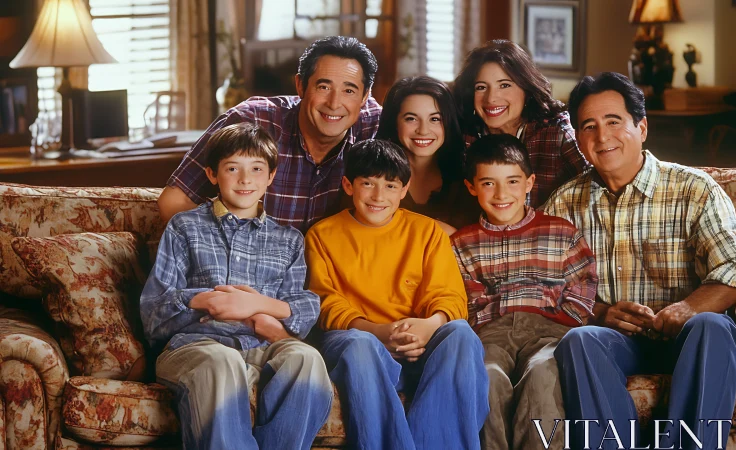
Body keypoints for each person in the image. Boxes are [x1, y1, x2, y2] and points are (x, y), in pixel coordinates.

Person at [542, 72, 736, 450]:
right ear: (579, 140)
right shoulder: (564, 204)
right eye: (589, 126)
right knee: (579, 341)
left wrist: (687, 308)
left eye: (614, 121)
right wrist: (597, 313)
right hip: (617, 341)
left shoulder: (693, 188)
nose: (602, 136)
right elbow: (544, 287)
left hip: (690, 338)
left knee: (713, 326)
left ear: (641, 127)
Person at [140, 123, 333, 450]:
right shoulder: (185, 227)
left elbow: (305, 306)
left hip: (261, 345)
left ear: (271, 177)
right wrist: (205, 299)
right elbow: (152, 313)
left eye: (257, 169)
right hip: (196, 346)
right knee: (222, 361)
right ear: (213, 174)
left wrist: (258, 305)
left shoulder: (288, 240)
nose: (246, 180)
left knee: (306, 358)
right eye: (233, 168)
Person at [305, 139, 489, 450]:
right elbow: (325, 303)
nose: (379, 196)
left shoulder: (427, 232)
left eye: (390, 186)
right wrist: (378, 332)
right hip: (356, 336)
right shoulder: (322, 234)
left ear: (404, 190)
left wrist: (428, 326)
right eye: (368, 184)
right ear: (348, 185)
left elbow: (449, 295)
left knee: (460, 333)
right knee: (360, 346)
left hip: (419, 339)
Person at [451, 133, 597, 450]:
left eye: (513, 181)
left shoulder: (561, 231)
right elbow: (461, 298)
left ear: (529, 182)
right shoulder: (461, 243)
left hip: (550, 331)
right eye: (488, 183)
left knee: (543, 375)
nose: (501, 193)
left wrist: (563, 319)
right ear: (471, 187)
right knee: (486, 378)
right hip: (491, 334)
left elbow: (582, 285)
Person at [158, 36, 382, 233]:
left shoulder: (376, 126)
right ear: (300, 85)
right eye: (323, 87)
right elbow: (174, 201)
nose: (334, 103)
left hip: (332, 276)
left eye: (349, 91)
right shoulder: (251, 121)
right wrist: (229, 254)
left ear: (365, 97)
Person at [453, 39, 590, 209]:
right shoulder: (466, 136)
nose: (491, 98)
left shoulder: (557, 133)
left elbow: (593, 190)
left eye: (504, 85)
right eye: (481, 87)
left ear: (527, 89)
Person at [375, 76, 479, 232]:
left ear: (448, 123)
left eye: (435, 119)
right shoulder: (371, 173)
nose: (423, 130)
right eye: (411, 119)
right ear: (394, 123)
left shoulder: (469, 177)